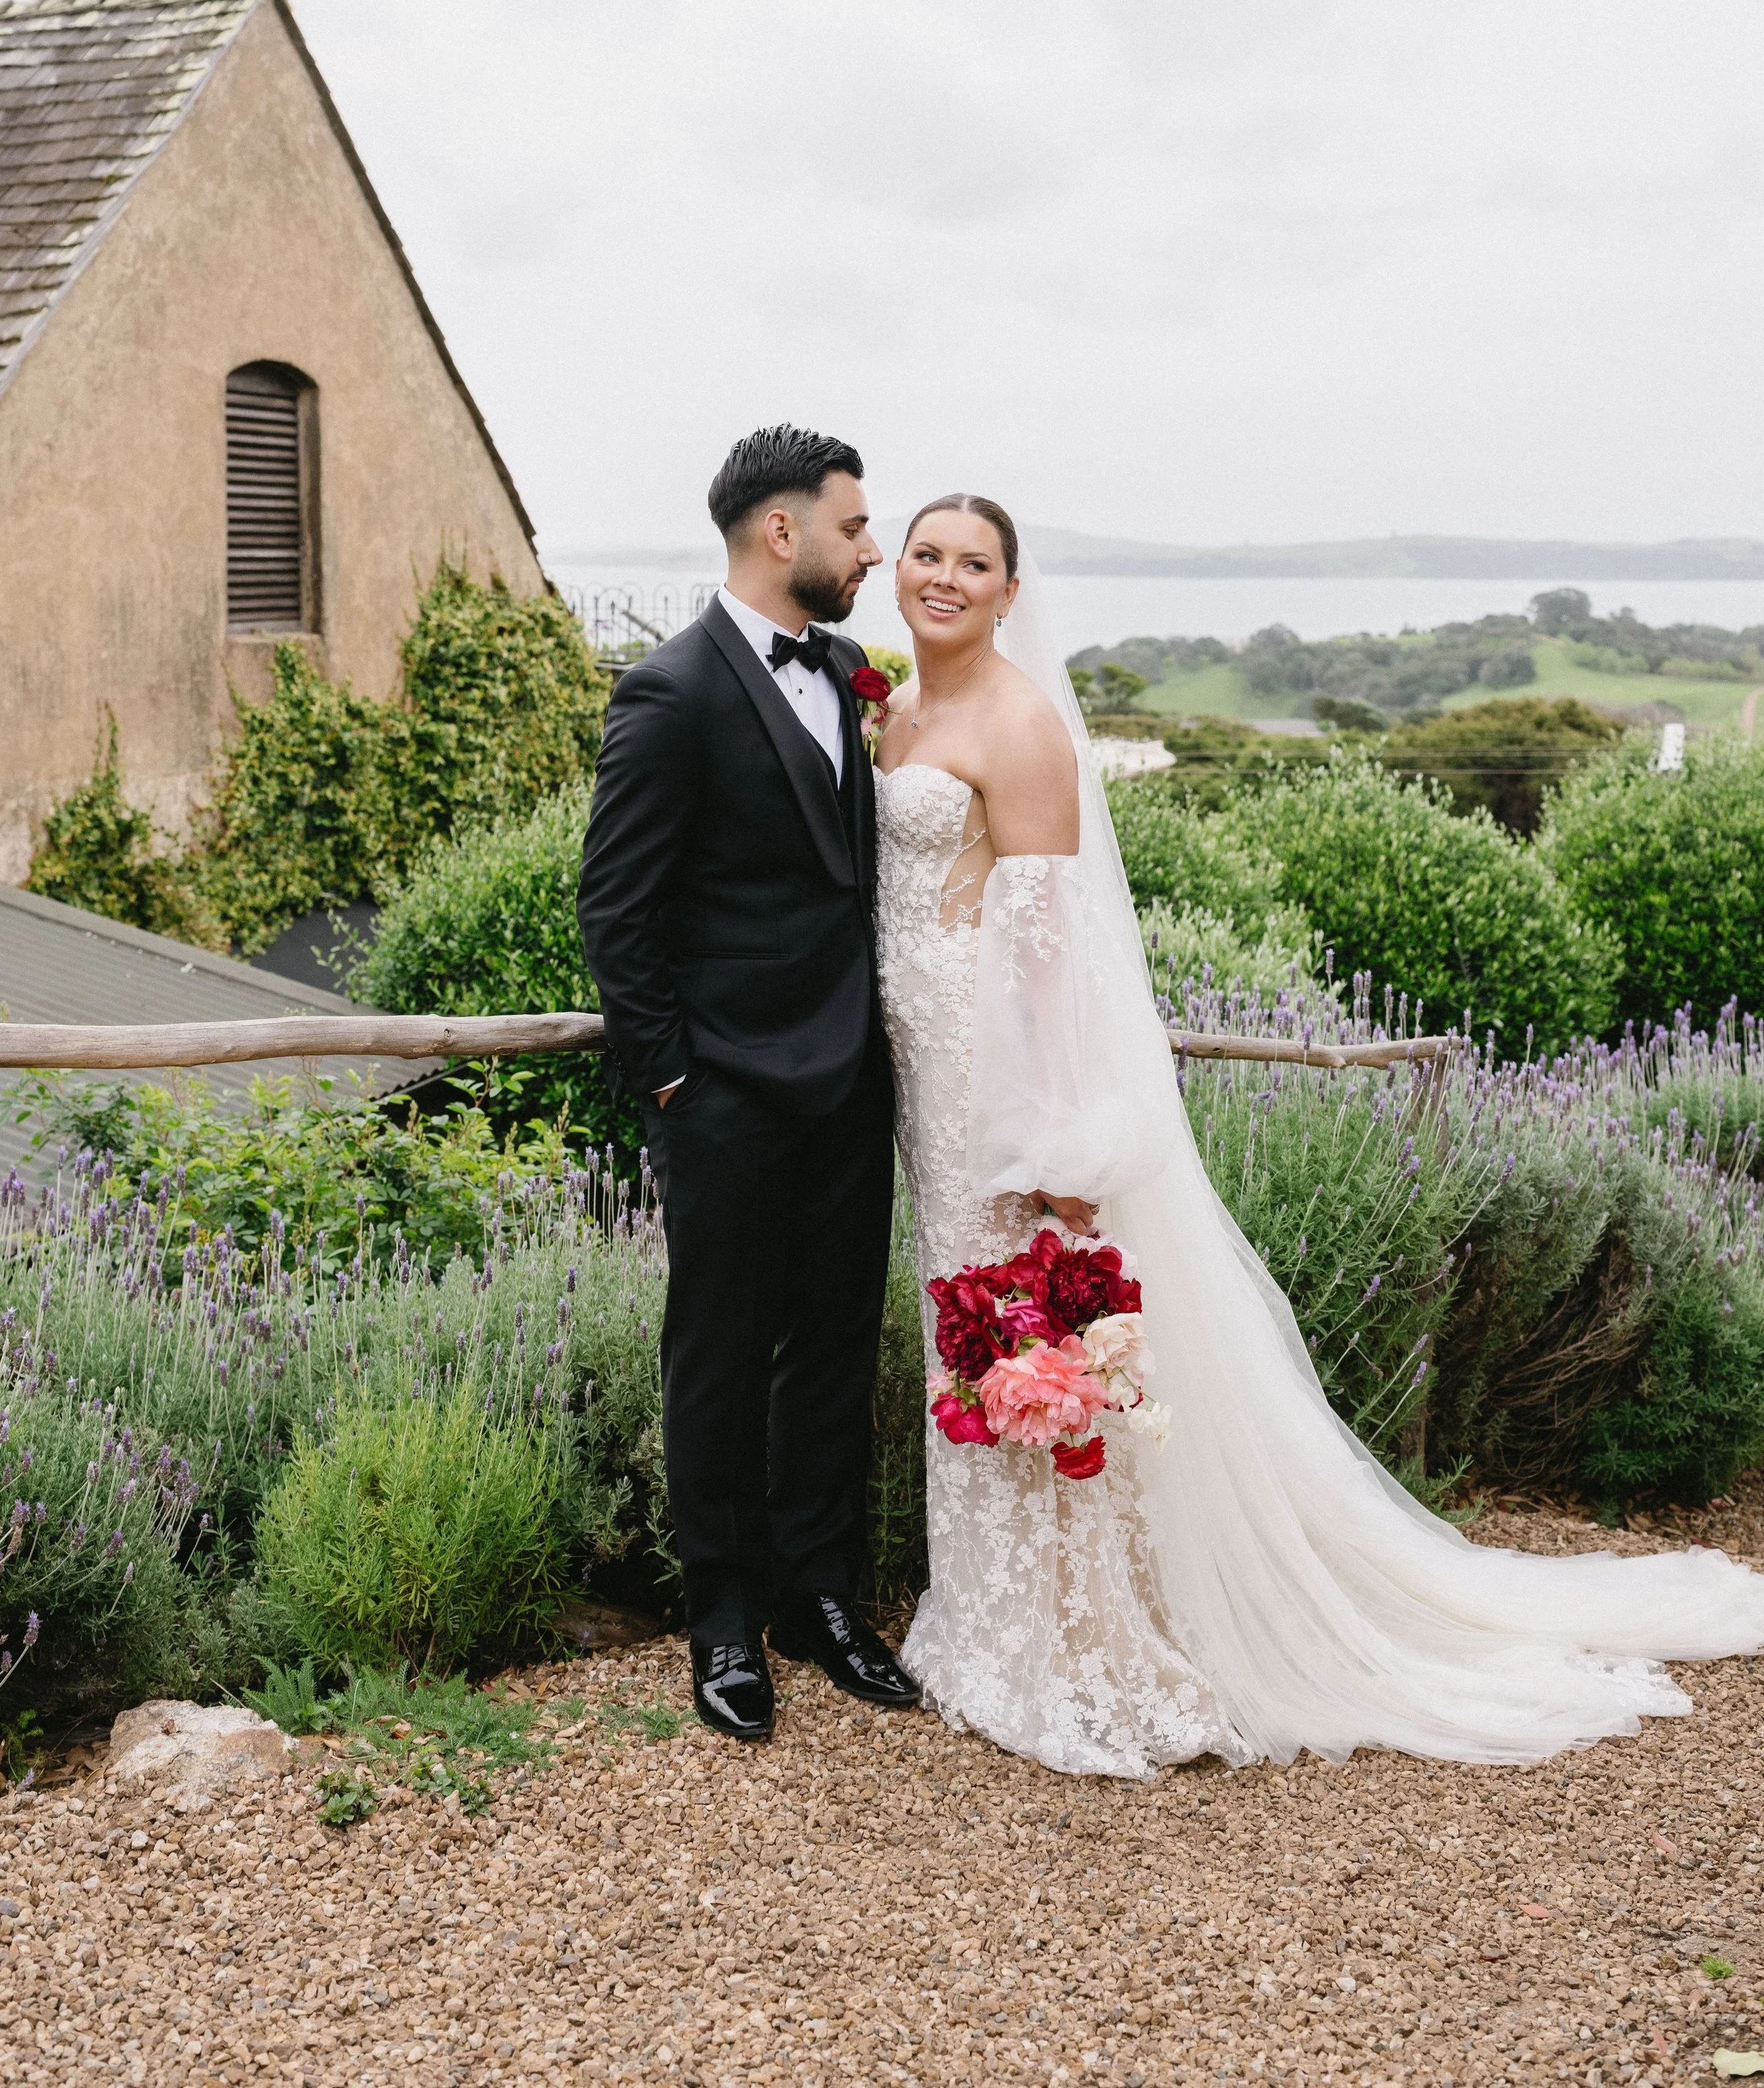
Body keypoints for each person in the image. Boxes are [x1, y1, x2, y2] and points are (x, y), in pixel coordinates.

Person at [875, 494, 1764, 1775]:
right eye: (927, 554)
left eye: (975, 563)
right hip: (919, 1080)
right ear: (896, 570)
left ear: (1012, 592)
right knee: (956, 1314)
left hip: (989, 1082)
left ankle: (1072, 1638)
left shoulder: (1023, 725)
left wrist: (1060, 1153)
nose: (945, 577)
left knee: (1018, 1321)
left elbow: (1046, 962)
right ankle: (991, 1612)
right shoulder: (897, 707)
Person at [577, 424, 921, 1741]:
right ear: (783, 534)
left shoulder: (849, 671)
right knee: (717, 1358)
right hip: (721, 1094)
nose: (871, 549)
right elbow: (618, 907)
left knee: (833, 1347)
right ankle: (722, 1621)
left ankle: (818, 1599)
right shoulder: (669, 693)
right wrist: (671, 1081)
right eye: (854, 526)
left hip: (850, 1086)